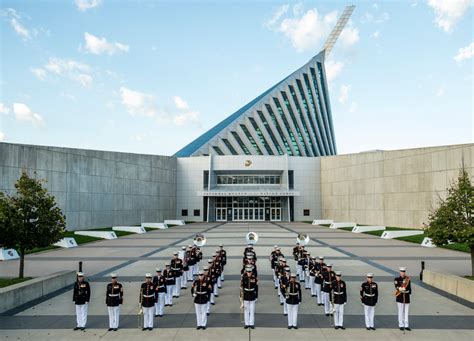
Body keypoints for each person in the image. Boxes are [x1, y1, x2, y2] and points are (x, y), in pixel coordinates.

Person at [241, 264, 258, 329]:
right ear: (246, 272)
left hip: (252, 295)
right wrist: (241, 297)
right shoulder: (244, 278)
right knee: (246, 311)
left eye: (250, 272)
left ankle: (251, 323)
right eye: (248, 272)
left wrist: (256, 296)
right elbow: (241, 288)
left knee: (252, 310)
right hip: (246, 295)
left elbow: (256, 288)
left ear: (251, 272)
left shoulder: (254, 278)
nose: (249, 273)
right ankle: (247, 323)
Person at [394, 267, 412, 331]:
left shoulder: (407, 279)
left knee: (406, 311)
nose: (403, 273)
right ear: (400, 272)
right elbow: (396, 287)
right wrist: (401, 289)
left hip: (406, 297)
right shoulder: (397, 279)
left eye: (404, 272)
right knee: (400, 311)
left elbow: (409, 288)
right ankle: (401, 325)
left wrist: (408, 292)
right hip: (400, 297)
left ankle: (406, 325)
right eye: (402, 272)